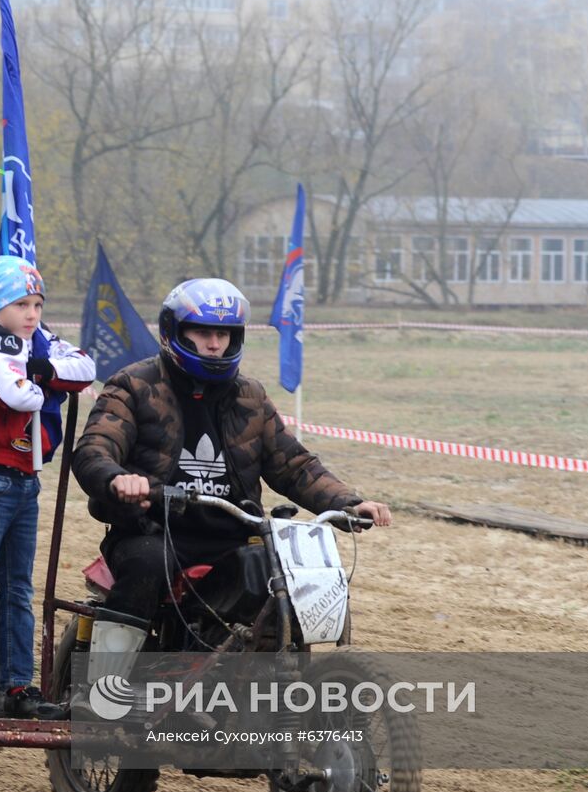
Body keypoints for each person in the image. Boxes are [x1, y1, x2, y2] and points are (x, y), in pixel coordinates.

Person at [71, 278, 391, 680]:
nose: (214, 344)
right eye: (203, 332)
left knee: (277, 579)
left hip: (234, 536)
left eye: (222, 333)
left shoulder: (250, 397)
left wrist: (347, 502)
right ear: (174, 332)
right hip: (154, 529)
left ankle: (255, 684)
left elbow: (295, 465)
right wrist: (118, 479)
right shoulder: (134, 385)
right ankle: (105, 690)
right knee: (147, 563)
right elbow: (94, 449)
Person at [0, 256, 96, 719]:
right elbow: (19, 395)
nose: (32, 314)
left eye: (37, 304)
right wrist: (43, 376)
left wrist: (44, 370)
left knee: (18, 589)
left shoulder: (35, 339)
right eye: (21, 304)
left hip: (26, 480)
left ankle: (17, 686)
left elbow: (85, 366)